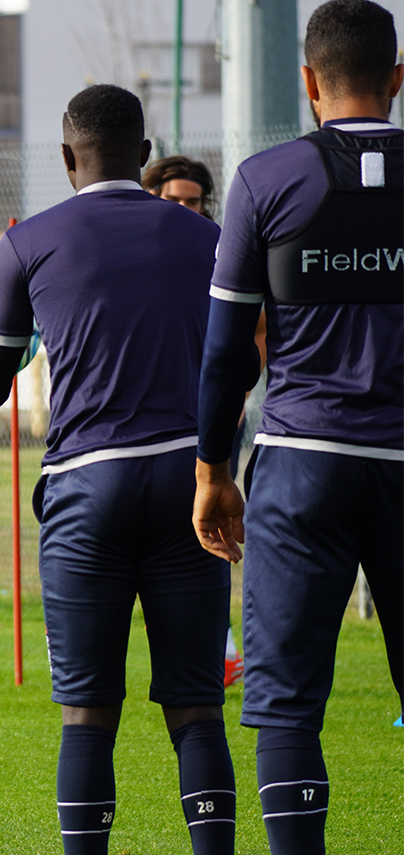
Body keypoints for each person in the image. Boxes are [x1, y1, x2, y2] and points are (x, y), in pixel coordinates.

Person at [0, 85, 259, 855]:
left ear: (66, 159)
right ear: (144, 153)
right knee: (197, 707)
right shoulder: (207, 236)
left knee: (88, 714)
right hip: (188, 482)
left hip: (85, 490)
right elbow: (244, 359)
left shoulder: (26, 245)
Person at [192, 2, 403, 855]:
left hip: (302, 462)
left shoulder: (266, 178)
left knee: (285, 705)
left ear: (310, 82)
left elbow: (226, 350)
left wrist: (210, 469)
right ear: (396, 79)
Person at [146, 154, 255, 689]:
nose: (186, 209)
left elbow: (254, 327)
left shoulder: (218, 248)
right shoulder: (136, 253)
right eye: (174, 201)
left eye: (194, 201)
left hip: (209, 416)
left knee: (205, 526)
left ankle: (224, 646)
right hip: (144, 419)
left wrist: (237, 396)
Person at [142, 154, 217, 219]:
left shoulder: (212, 234)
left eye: (192, 202)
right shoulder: (138, 231)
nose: (183, 208)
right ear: (153, 198)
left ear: (202, 206)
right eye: (173, 200)